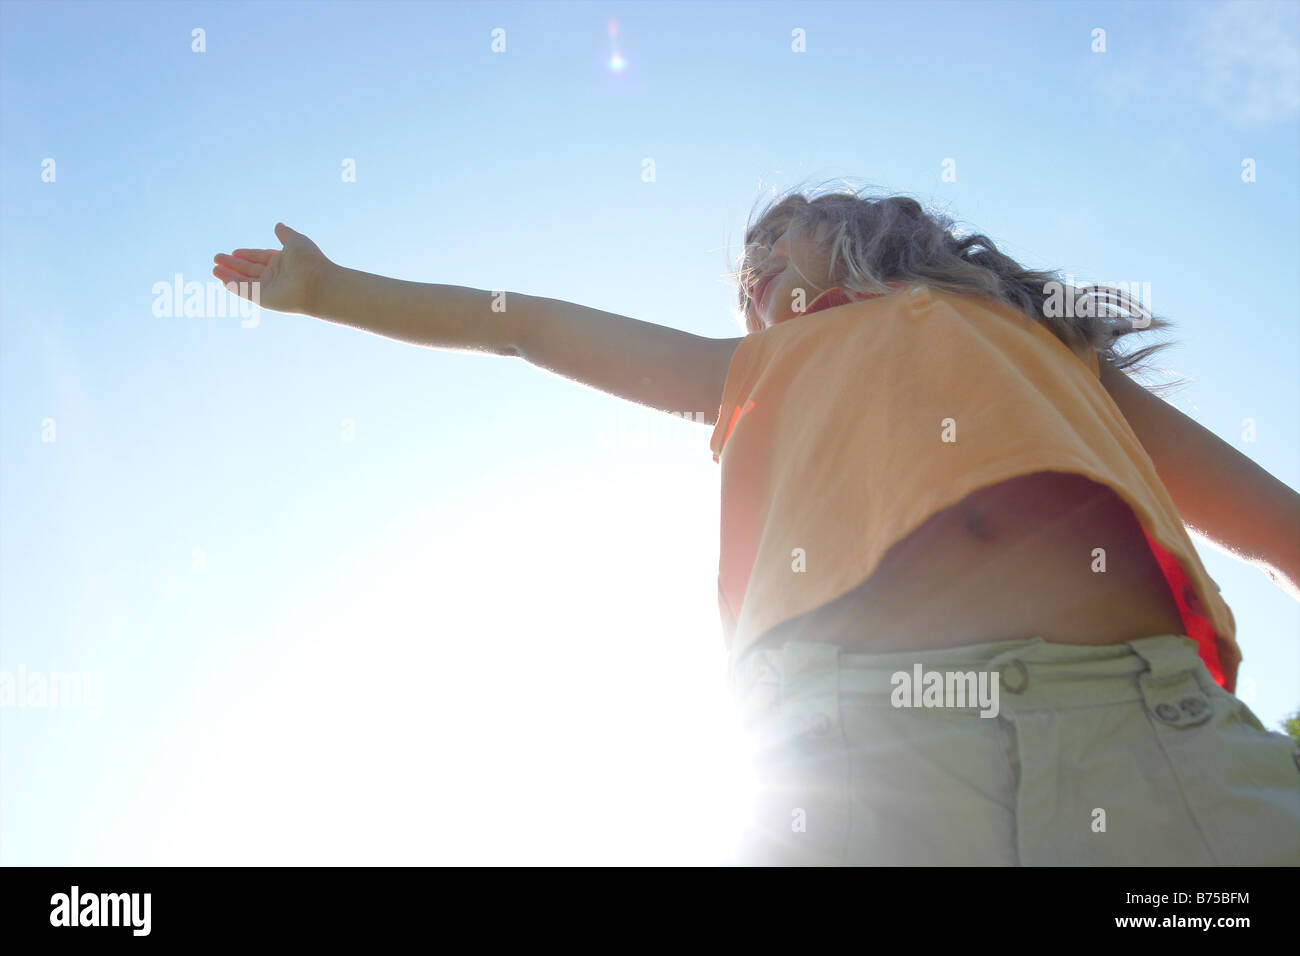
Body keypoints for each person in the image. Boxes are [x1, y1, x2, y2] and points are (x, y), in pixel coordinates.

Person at [213, 184, 1300, 866]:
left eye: (778, 239)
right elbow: (527, 328)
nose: (755, 271)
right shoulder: (747, 369)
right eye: (745, 273)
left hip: (1148, 732)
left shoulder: (1047, 348)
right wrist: (335, 289)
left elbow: (1277, 527)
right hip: (851, 749)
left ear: (866, 228)